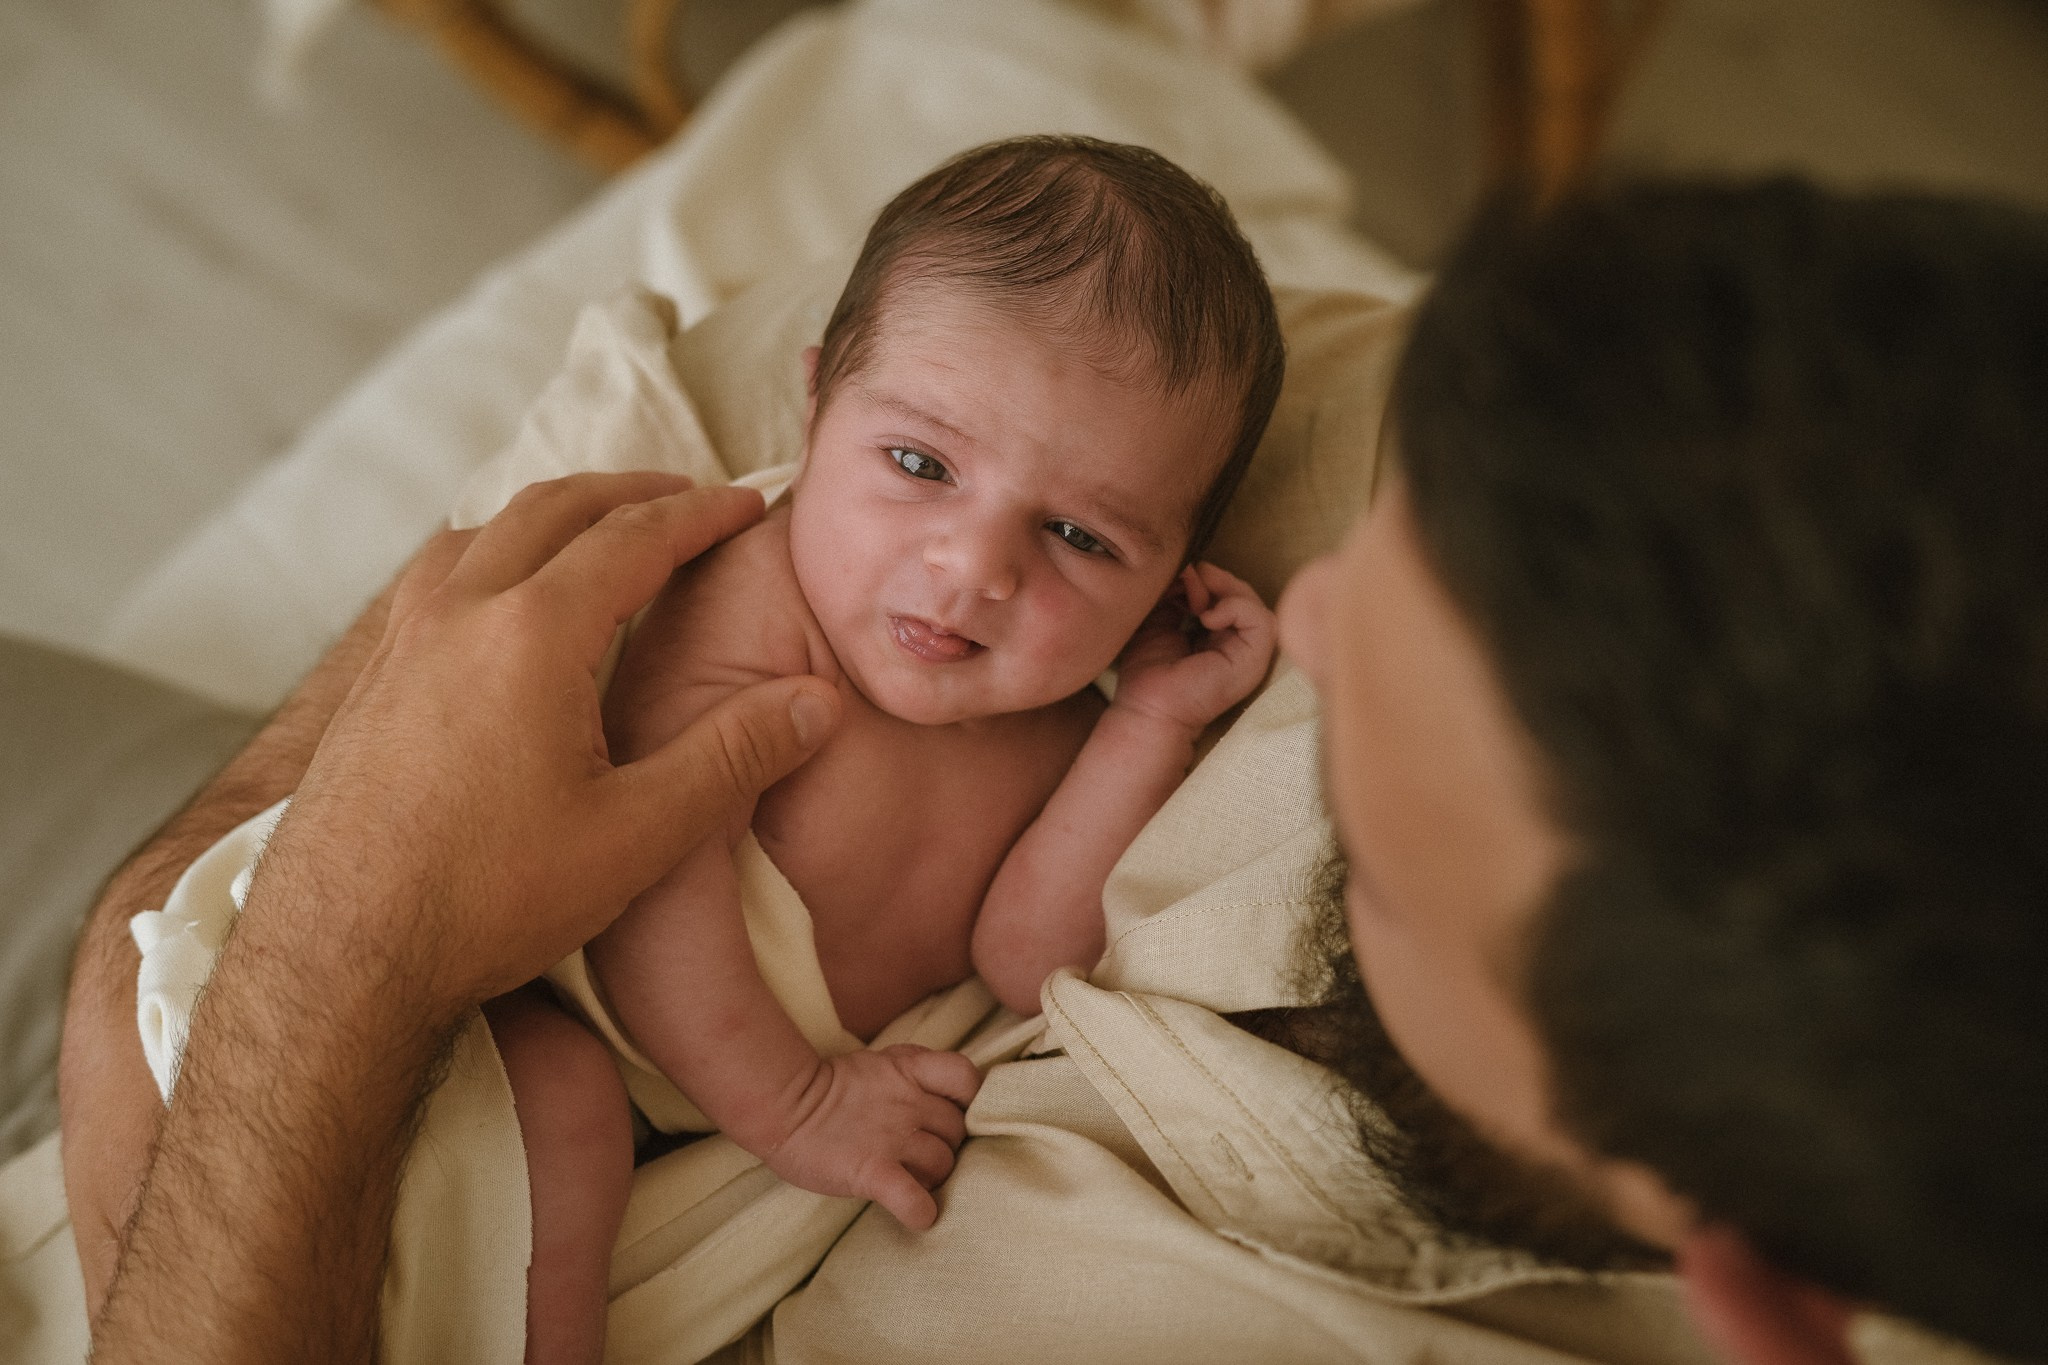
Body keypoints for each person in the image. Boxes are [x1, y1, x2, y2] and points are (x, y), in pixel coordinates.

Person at [60, 176, 2048, 1365]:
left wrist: (339, 957)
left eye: (1376, 837)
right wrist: (298, 913)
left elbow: (1026, 945)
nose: (1310, 613)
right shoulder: (1511, 428)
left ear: (1767, 1307)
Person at [478, 136, 1280, 1362]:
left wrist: (1149, 725)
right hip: (580, 1021)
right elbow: (643, 880)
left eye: (1079, 536)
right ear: (813, 408)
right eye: (918, 464)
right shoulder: (745, 600)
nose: (974, 568)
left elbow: (1027, 962)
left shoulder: (1066, 715)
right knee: (555, 1100)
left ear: (1170, 574)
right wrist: (796, 1106)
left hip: (759, 1120)